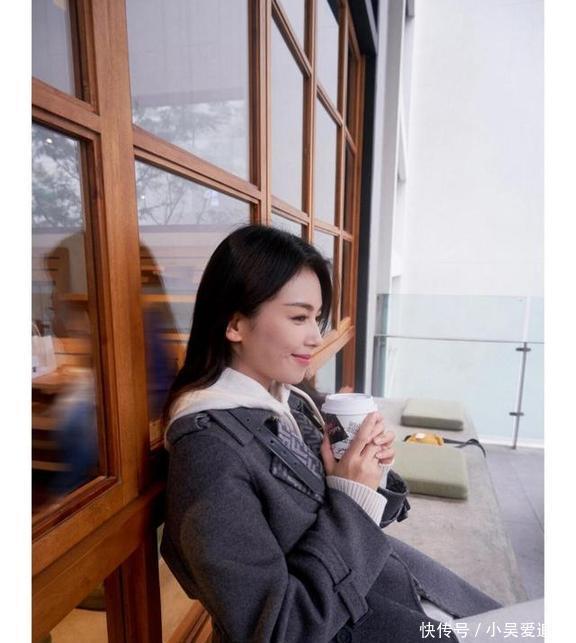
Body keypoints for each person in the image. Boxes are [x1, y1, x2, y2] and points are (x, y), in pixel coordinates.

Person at [160, 225, 501, 643]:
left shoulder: (289, 401)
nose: (317, 337)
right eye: (298, 317)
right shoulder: (208, 452)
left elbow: (363, 519)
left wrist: (369, 473)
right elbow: (279, 629)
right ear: (235, 324)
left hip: (382, 592)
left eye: (317, 318)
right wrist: (353, 498)